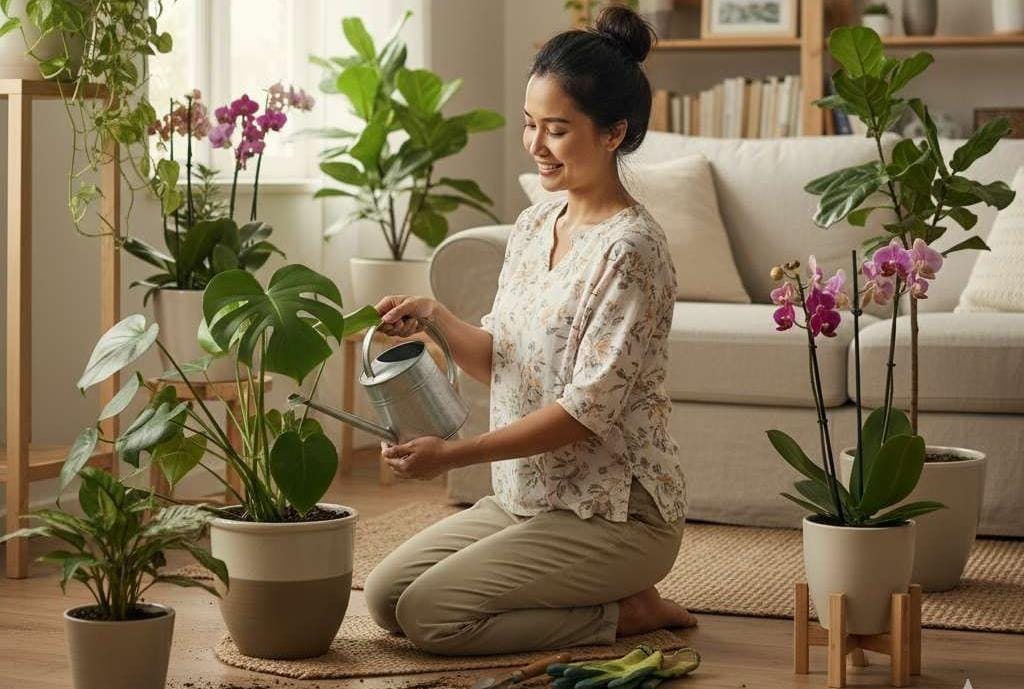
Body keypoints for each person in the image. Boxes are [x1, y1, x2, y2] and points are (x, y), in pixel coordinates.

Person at [363, 5, 692, 657]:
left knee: (432, 617)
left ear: (613, 132)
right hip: (528, 498)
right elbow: (505, 362)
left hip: (616, 513)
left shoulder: (632, 251)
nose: (536, 145)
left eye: (558, 130)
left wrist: (452, 455)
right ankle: (595, 598)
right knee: (385, 598)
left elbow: (583, 413)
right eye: (529, 125)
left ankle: (625, 612)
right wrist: (433, 315)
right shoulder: (534, 226)